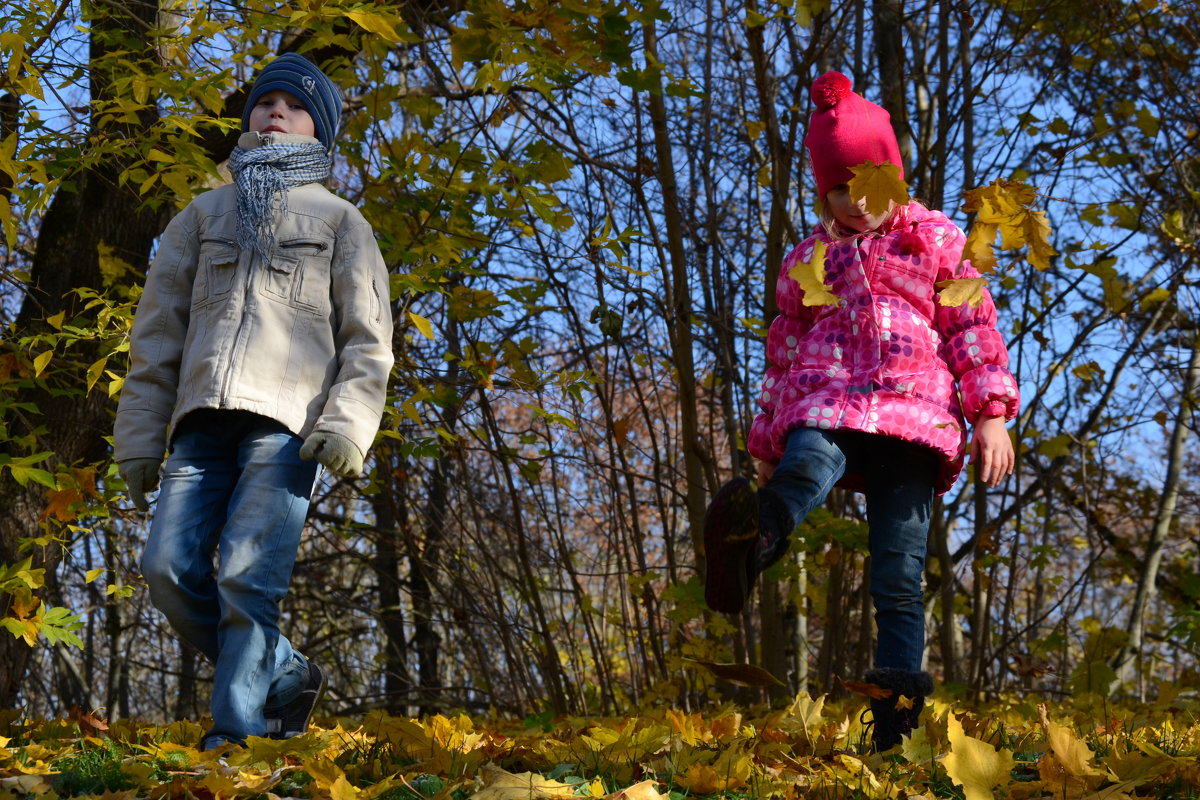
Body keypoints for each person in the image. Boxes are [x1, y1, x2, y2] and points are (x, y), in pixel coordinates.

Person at [703, 70, 1019, 751]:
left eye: (867, 186)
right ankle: (751, 541)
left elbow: (971, 327)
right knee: (805, 461)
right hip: (830, 400)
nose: (855, 203)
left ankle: (896, 724)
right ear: (825, 193)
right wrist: (765, 440)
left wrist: (990, 412)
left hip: (912, 418)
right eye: (838, 191)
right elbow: (783, 353)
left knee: (898, 574)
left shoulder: (933, 240)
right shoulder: (810, 260)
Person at [113, 53, 394, 751]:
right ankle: (286, 670)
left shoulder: (340, 222)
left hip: (284, 424)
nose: (276, 111)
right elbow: (156, 334)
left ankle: (234, 739)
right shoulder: (200, 216)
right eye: (265, 101)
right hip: (199, 421)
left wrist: (348, 426)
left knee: (246, 572)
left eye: (295, 106)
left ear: (319, 131)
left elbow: (368, 336)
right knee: (165, 568)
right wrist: (140, 438)